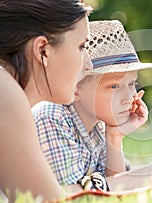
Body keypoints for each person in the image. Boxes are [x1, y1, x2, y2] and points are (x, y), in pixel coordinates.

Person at [32, 20, 152, 192]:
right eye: (114, 86)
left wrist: (115, 136)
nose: (129, 97)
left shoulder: (97, 126)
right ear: (76, 87)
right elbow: (77, 197)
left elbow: (117, 188)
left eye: (131, 84)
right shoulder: (52, 117)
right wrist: (150, 174)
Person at [0, 0, 92, 201]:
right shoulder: (5, 92)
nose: (89, 64)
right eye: (81, 46)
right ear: (43, 50)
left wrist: (139, 178)